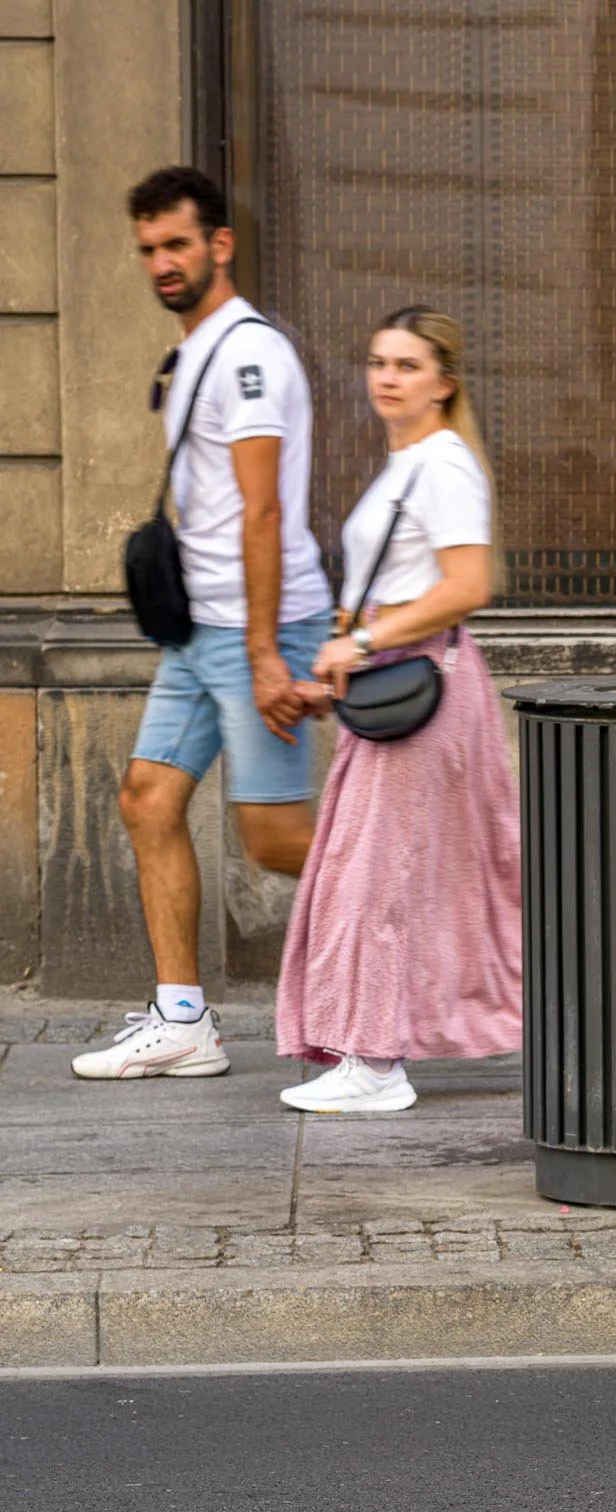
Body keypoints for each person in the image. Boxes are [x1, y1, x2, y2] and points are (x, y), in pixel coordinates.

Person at [74, 168, 335, 1081]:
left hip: (261, 629)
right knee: (147, 798)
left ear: (219, 244)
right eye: (149, 249)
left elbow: (265, 513)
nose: (163, 263)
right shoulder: (193, 355)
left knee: (272, 840)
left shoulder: (249, 357)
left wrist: (266, 654)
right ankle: (183, 1018)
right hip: (201, 631)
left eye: (177, 243)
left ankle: (451, 914)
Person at [273, 308, 521, 1113]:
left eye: (408, 365)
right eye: (378, 361)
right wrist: (346, 662)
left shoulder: (443, 465)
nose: (387, 376)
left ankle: (377, 1064)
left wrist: (366, 640)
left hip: (422, 687)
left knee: (382, 876)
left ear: (444, 382)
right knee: (369, 869)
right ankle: (369, 1048)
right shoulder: (411, 461)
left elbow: (467, 587)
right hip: (396, 680)